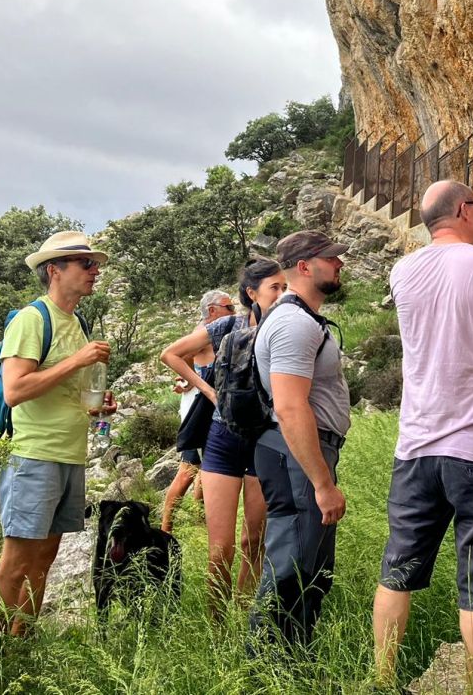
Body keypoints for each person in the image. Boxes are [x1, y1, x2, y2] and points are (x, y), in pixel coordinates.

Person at [371, 180, 473, 695]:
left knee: (398, 568)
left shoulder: (403, 271)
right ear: (465, 211)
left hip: (416, 447)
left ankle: (381, 680)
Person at [0, 231, 116, 638]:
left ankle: (21, 645)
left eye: (95, 264)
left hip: (71, 455)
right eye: (85, 264)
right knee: (16, 564)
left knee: (43, 563)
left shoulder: (77, 322)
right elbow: (16, 389)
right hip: (35, 457)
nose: (95, 271)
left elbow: (62, 388)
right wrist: (77, 359)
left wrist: (95, 405)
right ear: (54, 270)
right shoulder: (31, 319)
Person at [160, 261, 287, 610]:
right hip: (223, 438)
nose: (282, 294)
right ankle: (217, 628)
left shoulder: (287, 326)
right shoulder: (226, 325)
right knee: (220, 549)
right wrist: (209, 390)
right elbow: (170, 353)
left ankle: (246, 616)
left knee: (254, 541)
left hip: (266, 439)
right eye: (274, 287)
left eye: (284, 287)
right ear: (252, 293)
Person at [249, 230, 351, 647]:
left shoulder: (299, 318)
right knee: (293, 567)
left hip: (299, 452)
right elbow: (290, 408)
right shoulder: (294, 323)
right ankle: (269, 667)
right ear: (306, 267)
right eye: (332, 258)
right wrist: (322, 484)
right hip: (297, 454)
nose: (340, 264)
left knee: (308, 564)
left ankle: (293, 658)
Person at [160, 290, 236, 533]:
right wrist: (196, 383)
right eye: (229, 307)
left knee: (205, 468)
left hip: (205, 408)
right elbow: (176, 356)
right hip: (197, 411)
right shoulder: (202, 334)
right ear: (213, 310)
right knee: (188, 470)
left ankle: (202, 519)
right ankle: (165, 529)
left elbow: (189, 361)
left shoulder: (213, 333)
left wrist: (189, 379)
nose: (234, 312)